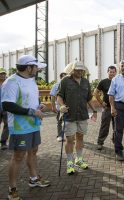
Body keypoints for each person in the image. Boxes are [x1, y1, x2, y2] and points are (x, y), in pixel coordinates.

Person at [1, 55, 50, 200]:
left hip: (33, 124)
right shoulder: (11, 82)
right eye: (36, 67)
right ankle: (12, 190)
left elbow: (33, 98)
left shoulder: (31, 80)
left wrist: (39, 105)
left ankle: (34, 179)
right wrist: (32, 111)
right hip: (19, 126)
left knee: (33, 151)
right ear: (28, 67)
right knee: (18, 156)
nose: (38, 69)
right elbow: (7, 104)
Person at [57, 61, 97, 174]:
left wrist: (94, 110)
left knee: (80, 137)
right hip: (69, 115)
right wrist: (62, 106)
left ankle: (78, 159)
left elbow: (89, 98)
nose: (79, 71)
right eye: (77, 69)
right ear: (73, 70)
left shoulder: (85, 82)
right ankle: (70, 163)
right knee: (70, 139)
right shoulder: (65, 81)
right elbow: (59, 96)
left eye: (81, 70)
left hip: (83, 115)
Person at [94, 65, 117, 150]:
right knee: (104, 126)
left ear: (116, 72)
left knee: (117, 126)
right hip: (106, 108)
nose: (112, 73)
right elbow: (95, 93)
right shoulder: (103, 82)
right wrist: (101, 102)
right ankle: (100, 142)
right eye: (110, 72)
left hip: (116, 107)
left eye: (113, 72)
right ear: (108, 72)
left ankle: (116, 141)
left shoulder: (118, 81)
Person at [50, 72, 67, 142]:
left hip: (68, 107)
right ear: (60, 77)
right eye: (63, 77)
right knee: (60, 122)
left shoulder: (69, 85)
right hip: (59, 107)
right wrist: (53, 107)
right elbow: (53, 97)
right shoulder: (56, 85)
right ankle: (60, 135)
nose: (65, 78)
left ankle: (70, 136)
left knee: (69, 122)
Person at [0, 67, 9, 150]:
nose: (2, 75)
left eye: (4, 74)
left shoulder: (8, 84)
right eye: (1, 74)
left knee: (7, 125)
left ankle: (3, 142)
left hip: (6, 108)